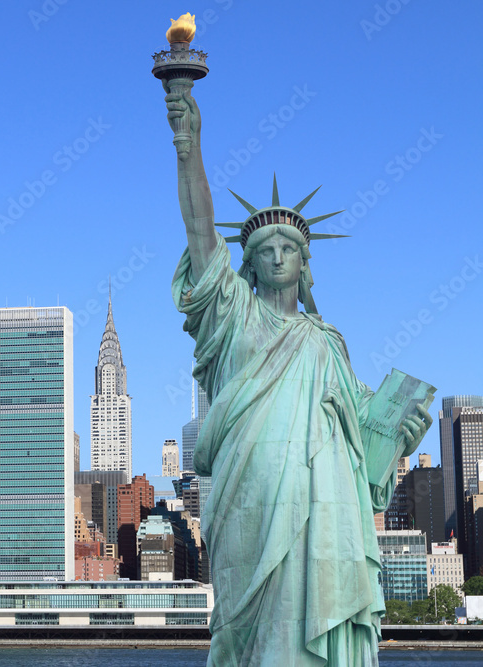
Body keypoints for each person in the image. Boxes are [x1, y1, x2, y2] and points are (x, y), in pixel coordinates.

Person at [164, 86, 432, 665]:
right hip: (252, 490)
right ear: (249, 263)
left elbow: (366, 443)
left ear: (305, 264)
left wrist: (402, 431)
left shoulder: (328, 343)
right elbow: (200, 229)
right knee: (251, 628)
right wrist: (188, 143)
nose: (279, 255)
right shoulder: (232, 316)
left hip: (325, 503)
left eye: (289, 246)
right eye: (265, 248)